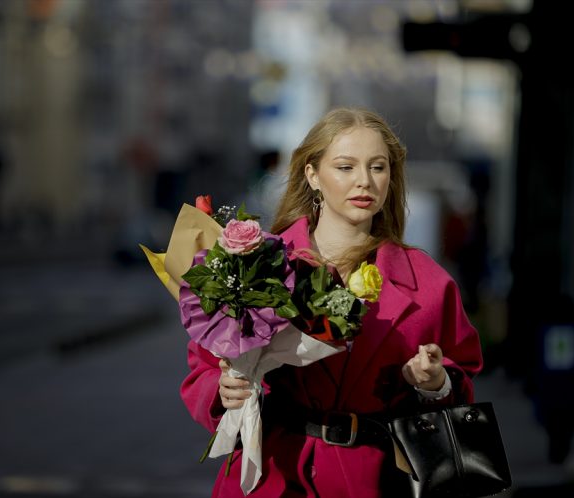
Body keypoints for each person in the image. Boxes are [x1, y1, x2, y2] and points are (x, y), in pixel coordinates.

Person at [181, 108, 483, 497]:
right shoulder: (256, 261)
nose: (364, 181)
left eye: (378, 167)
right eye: (345, 167)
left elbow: (463, 377)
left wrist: (436, 383)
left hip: (379, 479)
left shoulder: (428, 282)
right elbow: (203, 369)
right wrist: (223, 390)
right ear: (312, 175)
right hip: (273, 475)